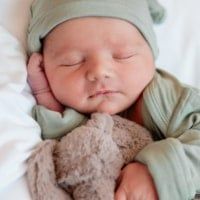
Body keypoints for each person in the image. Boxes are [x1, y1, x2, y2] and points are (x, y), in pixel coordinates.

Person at [27, 0, 200, 199]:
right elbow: (73, 143)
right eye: (72, 62)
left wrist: (156, 173)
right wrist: (43, 94)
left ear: (152, 57)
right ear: (45, 67)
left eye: (123, 55)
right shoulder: (72, 104)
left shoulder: (170, 99)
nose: (100, 72)